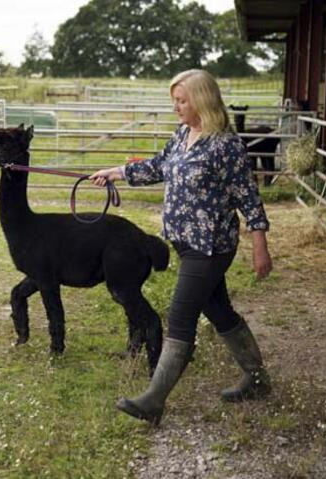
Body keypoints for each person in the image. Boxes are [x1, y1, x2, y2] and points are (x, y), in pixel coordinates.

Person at [89, 69, 273, 425]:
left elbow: (248, 197)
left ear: (201, 100)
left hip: (210, 246)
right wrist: (116, 172)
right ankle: (257, 379)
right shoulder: (182, 134)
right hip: (185, 243)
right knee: (219, 311)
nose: (176, 106)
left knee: (180, 316)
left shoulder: (225, 145)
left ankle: (153, 400)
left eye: (182, 100)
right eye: (174, 99)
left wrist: (259, 245)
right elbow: (160, 167)